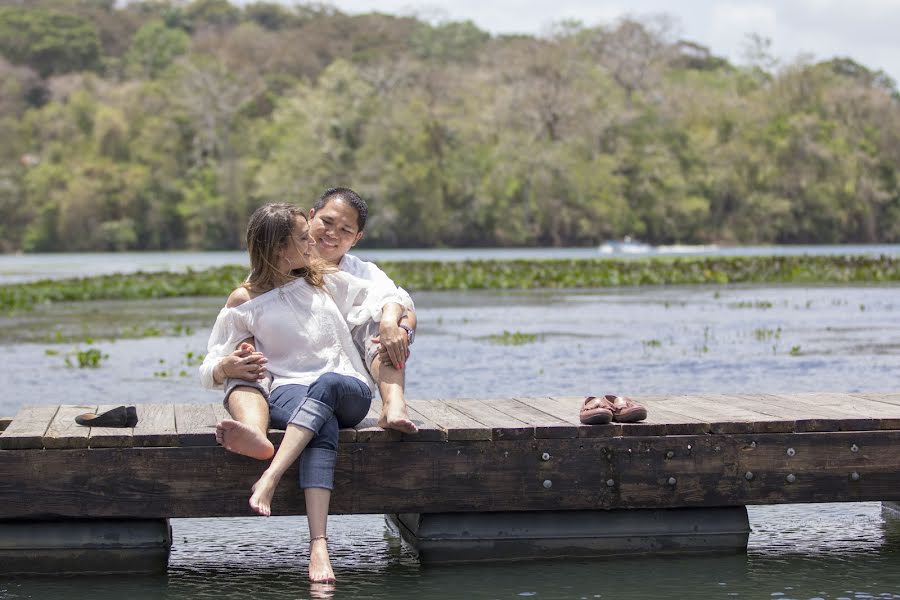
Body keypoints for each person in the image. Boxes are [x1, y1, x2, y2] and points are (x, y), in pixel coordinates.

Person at [200, 203, 405, 582]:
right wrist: (228, 365)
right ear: (279, 247)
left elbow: (388, 296)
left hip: (347, 389)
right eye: (303, 236)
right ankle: (319, 547)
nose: (314, 239)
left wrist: (395, 320)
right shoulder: (243, 300)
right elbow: (211, 362)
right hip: (289, 393)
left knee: (325, 387)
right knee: (319, 422)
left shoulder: (321, 278)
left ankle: (270, 476)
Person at [217, 188, 418, 462]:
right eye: (327, 222)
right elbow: (229, 337)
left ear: (357, 238)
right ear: (311, 217)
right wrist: (226, 364)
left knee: (382, 327)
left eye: (346, 230)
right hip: (289, 374)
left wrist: (394, 325)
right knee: (245, 355)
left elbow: (401, 301)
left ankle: (394, 404)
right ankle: (254, 429)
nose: (332, 234)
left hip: (347, 373)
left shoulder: (360, 272)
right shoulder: (277, 269)